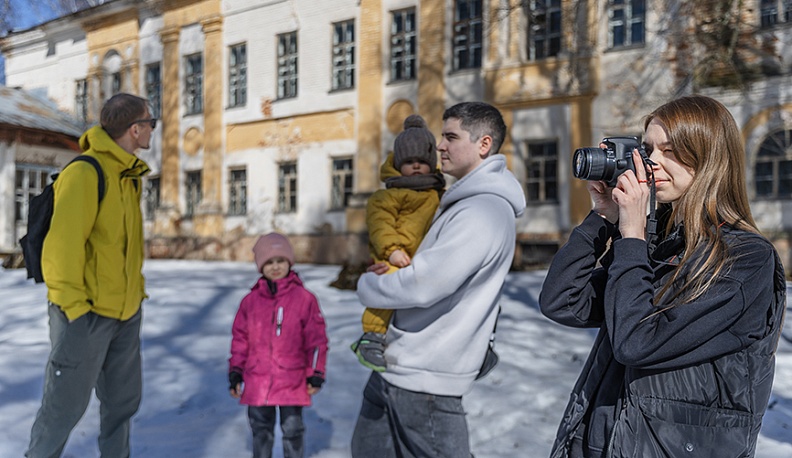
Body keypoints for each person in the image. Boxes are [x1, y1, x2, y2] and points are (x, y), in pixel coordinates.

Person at [539, 95, 786, 457]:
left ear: (708, 158)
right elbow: (563, 301)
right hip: (603, 439)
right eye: (649, 148)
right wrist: (603, 219)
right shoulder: (666, 246)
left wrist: (634, 237)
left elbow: (636, 343)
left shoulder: (745, 260)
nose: (651, 162)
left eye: (669, 151)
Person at [351, 102, 526, 457]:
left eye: (450, 137)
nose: (439, 146)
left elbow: (424, 284)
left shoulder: (482, 211)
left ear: (484, 144)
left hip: (426, 378)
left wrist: (367, 287)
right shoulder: (460, 202)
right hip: (399, 365)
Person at [26, 93, 153, 457]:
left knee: (122, 406)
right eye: (150, 122)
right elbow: (61, 251)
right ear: (134, 128)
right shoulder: (85, 173)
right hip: (84, 315)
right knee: (62, 410)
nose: (151, 130)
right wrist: (75, 312)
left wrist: (134, 299)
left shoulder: (129, 175)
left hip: (125, 314)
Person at [351, 114, 446, 372]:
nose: (416, 167)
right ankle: (372, 335)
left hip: (426, 260)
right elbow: (380, 225)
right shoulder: (387, 195)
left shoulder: (439, 194)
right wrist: (391, 250)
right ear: (397, 163)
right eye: (409, 162)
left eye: (422, 162)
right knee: (387, 285)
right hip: (396, 256)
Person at [228, 232, 329, 458]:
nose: (275, 267)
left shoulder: (304, 299)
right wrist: (236, 371)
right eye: (269, 262)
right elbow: (240, 340)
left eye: (280, 261)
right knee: (260, 429)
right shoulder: (250, 302)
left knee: (293, 429)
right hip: (258, 378)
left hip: (291, 378)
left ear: (289, 262)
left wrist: (316, 373)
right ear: (260, 266)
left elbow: (317, 340)